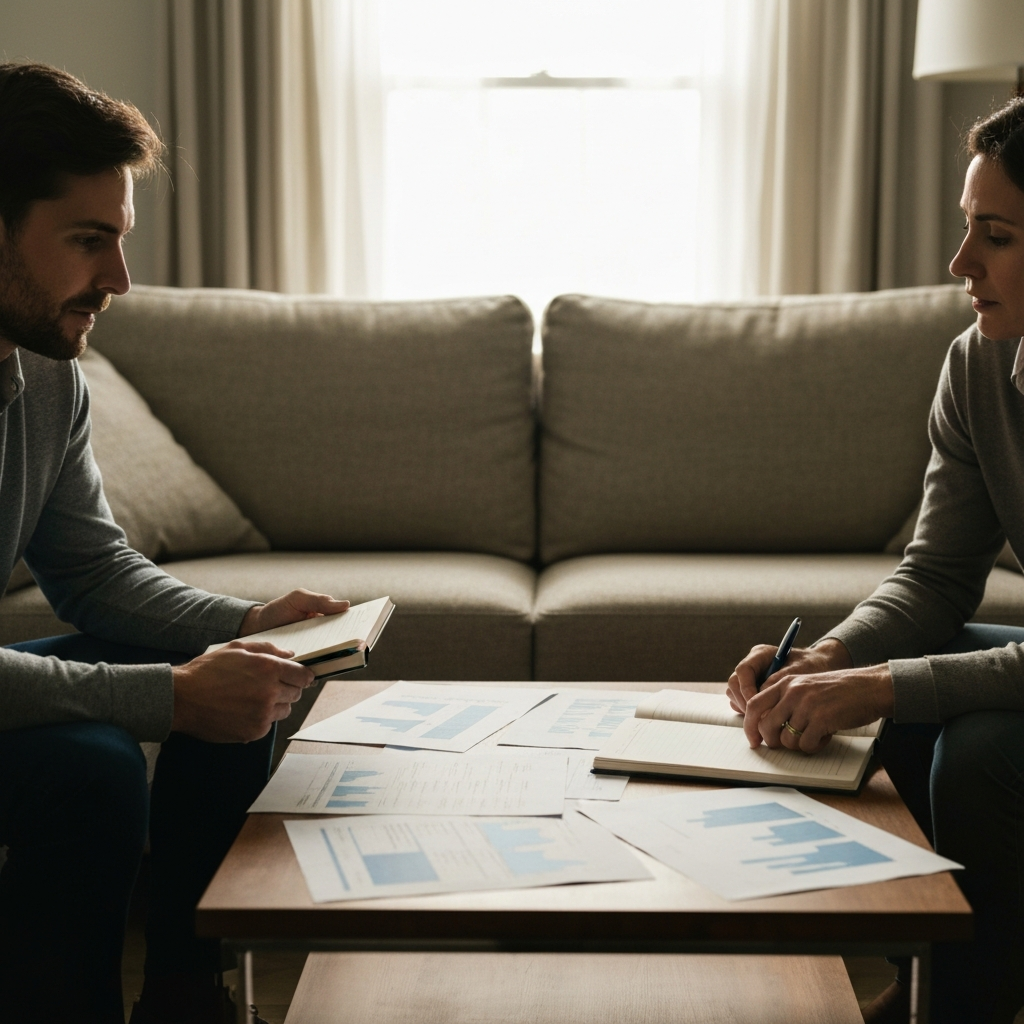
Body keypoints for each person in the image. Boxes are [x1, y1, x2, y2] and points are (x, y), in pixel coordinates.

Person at [0, 62, 351, 1024]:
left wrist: (244, 618)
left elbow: (94, 573)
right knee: (94, 768)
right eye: (88, 241)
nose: (118, 280)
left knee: (238, 668)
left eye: (120, 240)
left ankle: (186, 997)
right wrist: (166, 696)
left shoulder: (45, 381)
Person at [727, 96, 1024, 1024]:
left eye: (997, 235)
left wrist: (882, 685)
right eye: (964, 228)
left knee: (974, 750)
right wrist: (832, 658)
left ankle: (974, 1003)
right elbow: (938, 575)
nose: (960, 264)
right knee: (879, 706)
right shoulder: (977, 367)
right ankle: (943, 977)